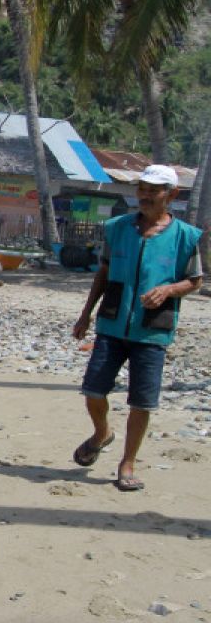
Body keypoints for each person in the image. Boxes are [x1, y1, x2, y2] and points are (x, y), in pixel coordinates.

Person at [72, 164, 203, 491]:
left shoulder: (185, 237)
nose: (145, 195)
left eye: (153, 190)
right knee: (92, 390)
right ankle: (102, 433)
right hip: (112, 321)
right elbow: (103, 272)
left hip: (152, 330)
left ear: (171, 195)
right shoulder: (117, 228)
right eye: (142, 188)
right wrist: (86, 314)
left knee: (142, 402)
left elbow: (195, 280)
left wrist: (169, 290)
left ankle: (127, 463)